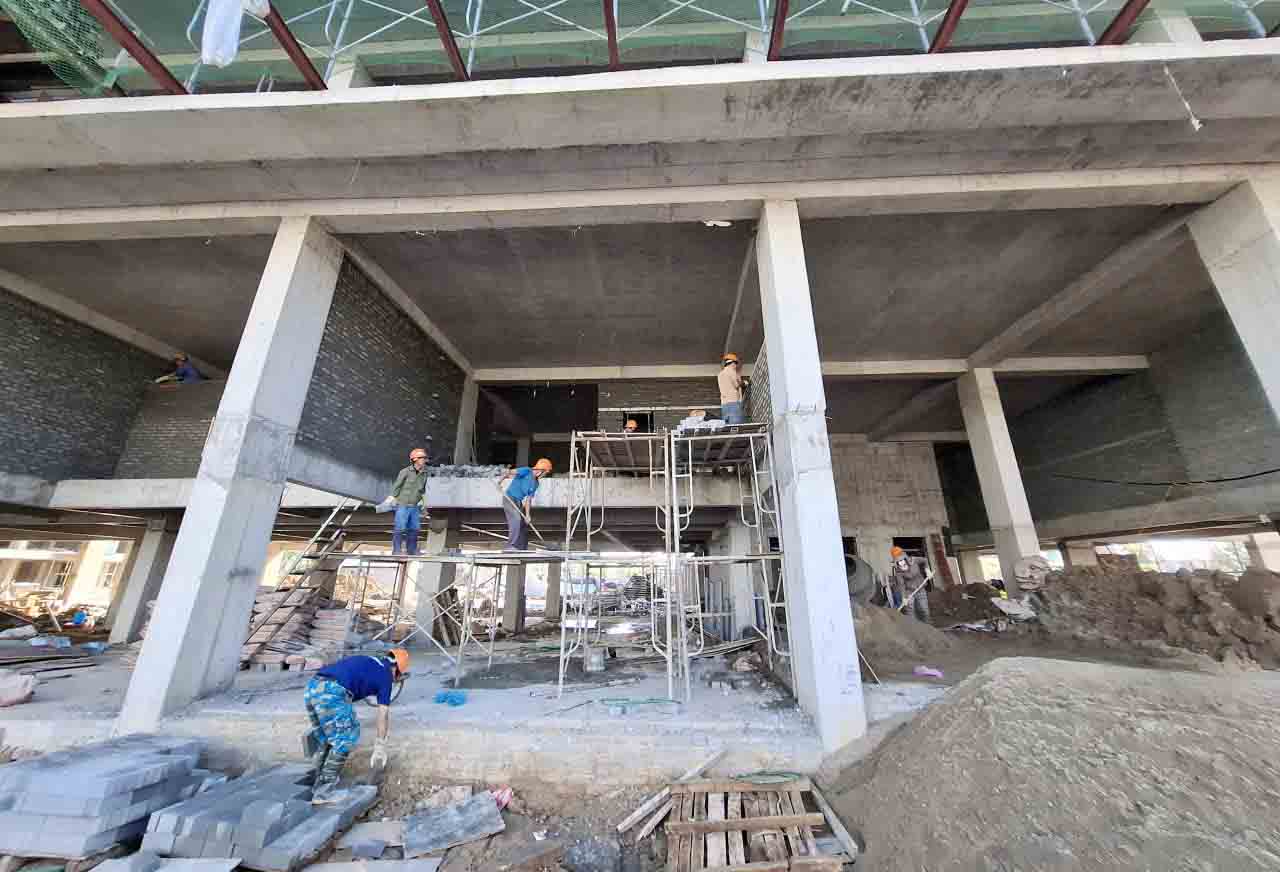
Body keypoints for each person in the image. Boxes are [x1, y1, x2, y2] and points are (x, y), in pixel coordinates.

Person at [302, 649, 409, 804]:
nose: (396, 679)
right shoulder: (386, 676)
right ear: (396, 670)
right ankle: (324, 793)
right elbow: (382, 715)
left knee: (327, 739)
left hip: (312, 687)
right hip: (332, 691)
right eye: (398, 676)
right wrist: (380, 745)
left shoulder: (370, 660)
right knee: (346, 737)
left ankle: (318, 783)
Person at [500, 458, 552, 551]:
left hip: (518, 501)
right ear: (541, 470)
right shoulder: (526, 471)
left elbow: (528, 500)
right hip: (509, 498)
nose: (545, 475)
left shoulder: (536, 483)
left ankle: (521, 548)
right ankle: (510, 546)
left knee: (523, 523)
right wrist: (500, 481)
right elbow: (510, 472)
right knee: (516, 519)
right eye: (546, 472)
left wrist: (528, 515)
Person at [386, 448, 429, 555]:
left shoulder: (424, 474)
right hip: (402, 505)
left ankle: (412, 550)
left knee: (414, 529)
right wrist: (391, 498)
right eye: (422, 458)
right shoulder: (405, 472)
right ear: (415, 459)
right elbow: (397, 486)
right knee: (400, 528)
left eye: (424, 458)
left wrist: (424, 506)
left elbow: (423, 491)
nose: (424, 460)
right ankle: (396, 551)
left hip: (414, 506)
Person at [888, 546, 932, 623]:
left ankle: (928, 627)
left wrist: (927, 570)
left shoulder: (914, 560)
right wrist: (904, 597)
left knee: (924, 610)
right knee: (910, 610)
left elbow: (925, 560)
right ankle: (913, 628)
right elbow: (901, 585)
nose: (901, 564)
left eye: (902, 561)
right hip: (909, 591)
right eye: (898, 562)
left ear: (905, 558)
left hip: (920, 588)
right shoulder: (898, 572)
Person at [718, 352, 746, 425]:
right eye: (736, 364)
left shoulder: (720, 374)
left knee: (728, 427)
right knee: (736, 426)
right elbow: (736, 384)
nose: (736, 366)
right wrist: (744, 383)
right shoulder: (732, 371)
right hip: (733, 402)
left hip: (724, 404)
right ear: (732, 363)